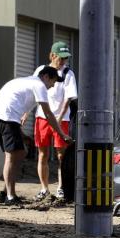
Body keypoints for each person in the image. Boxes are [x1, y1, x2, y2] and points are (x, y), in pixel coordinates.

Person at [0, 66, 72, 205]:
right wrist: (62, 134)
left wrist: (21, 135)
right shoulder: (39, 85)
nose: (52, 86)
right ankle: (9, 197)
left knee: (20, 153)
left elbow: (15, 109)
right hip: (7, 118)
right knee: (13, 156)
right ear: (45, 76)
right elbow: (48, 114)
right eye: (52, 81)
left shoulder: (26, 82)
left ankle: (6, 192)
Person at [22, 42, 77, 202]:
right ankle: (44, 188)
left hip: (63, 118)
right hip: (42, 117)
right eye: (61, 58)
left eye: (66, 58)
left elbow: (69, 96)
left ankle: (61, 188)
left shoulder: (68, 74)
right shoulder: (41, 70)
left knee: (62, 155)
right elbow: (33, 92)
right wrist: (26, 112)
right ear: (52, 56)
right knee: (42, 153)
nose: (64, 61)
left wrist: (59, 117)